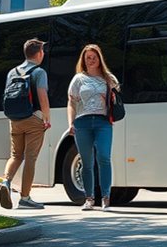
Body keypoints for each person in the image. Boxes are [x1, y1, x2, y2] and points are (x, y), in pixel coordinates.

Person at [0, 38, 51, 210]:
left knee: (15, 155)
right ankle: (25, 198)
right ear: (39, 53)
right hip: (33, 119)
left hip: (14, 120)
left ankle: (5, 181)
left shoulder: (12, 72)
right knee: (30, 158)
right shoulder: (39, 72)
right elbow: (42, 95)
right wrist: (46, 118)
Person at [67, 44, 119, 211]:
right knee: (86, 162)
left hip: (103, 122)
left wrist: (110, 97)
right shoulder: (78, 79)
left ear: (99, 59)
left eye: (94, 57)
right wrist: (71, 122)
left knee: (104, 157)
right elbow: (71, 102)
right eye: (88, 58)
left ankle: (106, 198)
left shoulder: (108, 78)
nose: (91, 60)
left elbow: (118, 98)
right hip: (82, 123)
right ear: (83, 60)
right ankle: (89, 198)